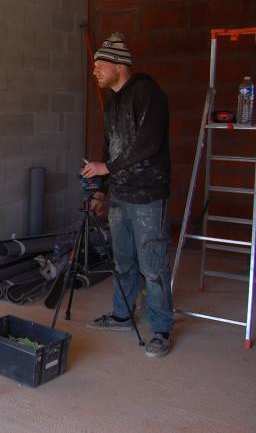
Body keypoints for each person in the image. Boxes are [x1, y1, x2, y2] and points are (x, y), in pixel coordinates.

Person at [81, 32, 174, 358]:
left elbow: (147, 144)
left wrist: (107, 168)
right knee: (123, 262)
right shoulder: (114, 104)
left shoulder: (148, 93)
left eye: (99, 65)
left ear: (119, 65)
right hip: (120, 195)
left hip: (148, 195)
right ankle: (122, 315)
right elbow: (109, 150)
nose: (95, 71)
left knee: (153, 264)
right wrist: (101, 191)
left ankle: (161, 329)